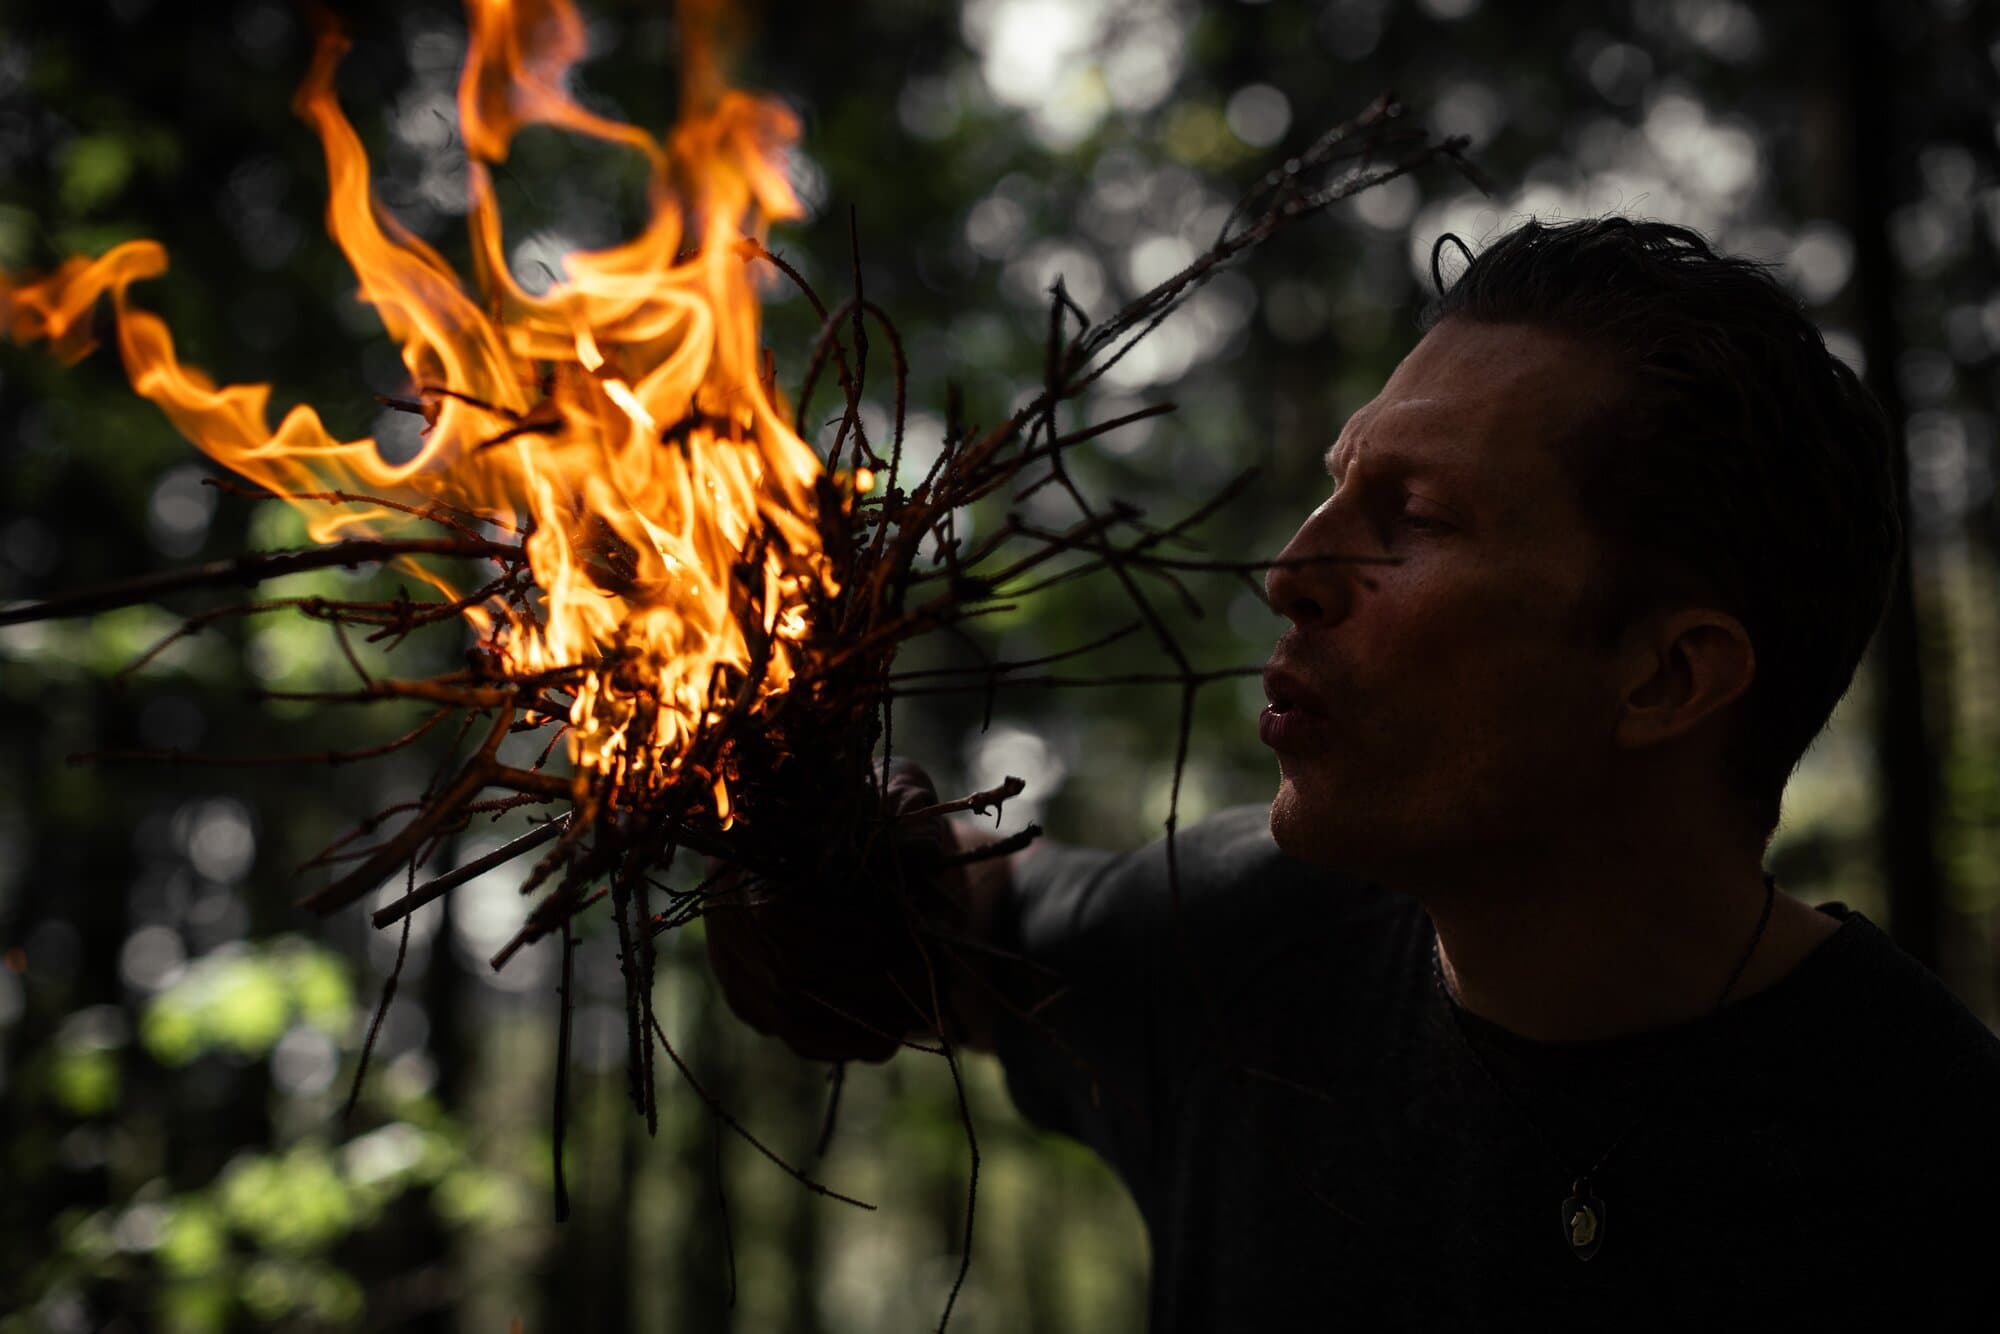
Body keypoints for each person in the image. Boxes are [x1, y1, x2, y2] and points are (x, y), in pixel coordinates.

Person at [706, 217, 2000, 1331]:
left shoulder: (1936, 1179)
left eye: (1417, 516)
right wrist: (836, 879)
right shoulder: (1242, 951)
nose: (1290, 573)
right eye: (1338, 488)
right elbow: (977, 915)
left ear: (1665, 678)